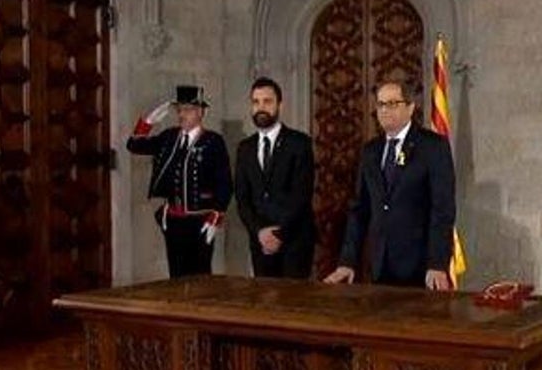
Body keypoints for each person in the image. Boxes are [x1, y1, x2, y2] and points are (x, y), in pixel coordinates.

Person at [323, 79, 455, 290]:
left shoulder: (432, 147)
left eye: (393, 104)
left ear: (411, 107)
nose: (385, 110)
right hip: (378, 265)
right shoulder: (371, 151)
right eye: (381, 104)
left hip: (420, 268)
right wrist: (347, 262)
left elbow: (443, 210)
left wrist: (437, 263)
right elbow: (359, 211)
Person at [126, 85, 232, 278]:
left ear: (201, 112)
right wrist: (148, 122)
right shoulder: (169, 137)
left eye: (188, 110)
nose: (182, 114)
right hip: (173, 220)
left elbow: (224, 183)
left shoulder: (213, 141)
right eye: (180, 110)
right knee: (176, 276)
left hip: (200, 220)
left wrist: (215, 217)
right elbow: (134, 145)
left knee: (200, 277)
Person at [235, 77, 316, 278]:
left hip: (294, 241)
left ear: (280, 105)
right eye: (256, 102)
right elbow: (242, 199)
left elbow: (301, 195)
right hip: (260, 243)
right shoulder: (245, 148)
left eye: (267, 101)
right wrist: (260, 232)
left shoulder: (299, 143)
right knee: (263, 304)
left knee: (292, 305)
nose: (261, 107)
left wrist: (278, 235)